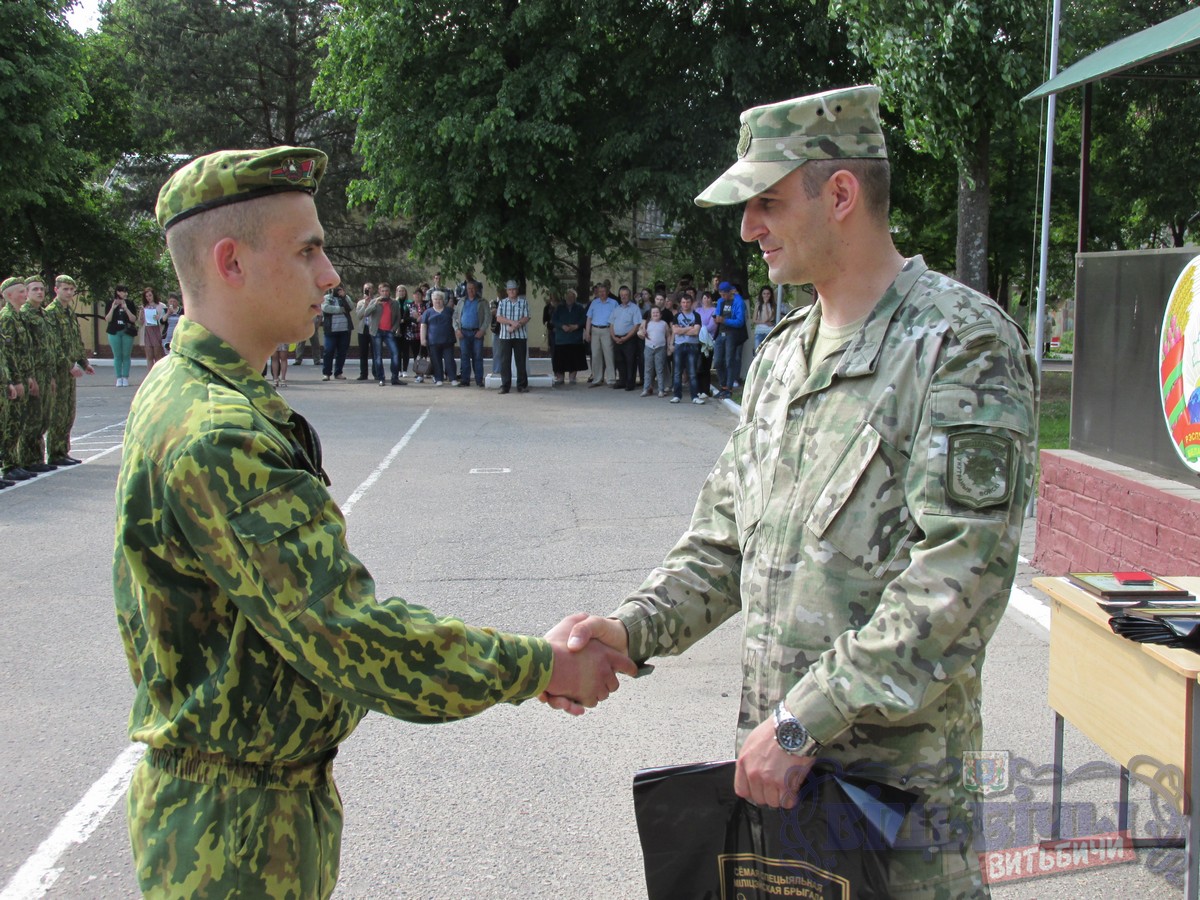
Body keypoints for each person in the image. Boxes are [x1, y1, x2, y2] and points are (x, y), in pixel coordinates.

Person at [546, 86, 1039, 898]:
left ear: (840, 194)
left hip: (895, 819)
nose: (747, 228)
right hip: (782, 796)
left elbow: (960, 581)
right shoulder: (782, 358)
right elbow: (723, 545)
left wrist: (808, 715)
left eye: (766, 201)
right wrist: (629, 631)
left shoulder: (961, 344)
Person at [118, 146, 636, 900]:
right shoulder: (217, 432)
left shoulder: (184, 387)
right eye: (308, 251)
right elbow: (348, 634)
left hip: (248, 805)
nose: (330, 276)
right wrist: (541, 665)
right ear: (230, 261)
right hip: (235, 833)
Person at [45, 275, 94, 466]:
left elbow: (75, 340)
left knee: (68, 412)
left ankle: (63, 451)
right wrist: (69, 365)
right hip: (59, 370)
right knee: (58, 411)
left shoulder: (69, 313)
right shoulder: (51, 313)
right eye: (65, 289)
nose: (69, 293)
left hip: (71, 368)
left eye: (71, 289)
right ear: (56, 290)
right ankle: (55, 453)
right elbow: (53, 344)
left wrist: (83, 362)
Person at [17, 277, 58, 473]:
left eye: (42, 289)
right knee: (31, 418)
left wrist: (50, 376)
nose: (39, 292)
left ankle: (37, 459)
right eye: (35, 289)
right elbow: (25, 348)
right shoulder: (24, 314)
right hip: (33, 370)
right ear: (26, 292)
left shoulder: (43, 314)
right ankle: (27, 459)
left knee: (43, 417)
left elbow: (49, 346)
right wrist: (29, 376)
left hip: (45, 371)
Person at [0, 277, 33, 482]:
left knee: (14, 422)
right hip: (10, 377)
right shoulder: (7, 318)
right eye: (21, 291)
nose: (25, 294)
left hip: (12, 377)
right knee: (9, 423)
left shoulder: (18, 317)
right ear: (9, 295)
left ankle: (13, 463)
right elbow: (9, 353)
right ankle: (9, 464)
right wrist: (14, 380)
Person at [362, 282, 404, 386]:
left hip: (389, 331)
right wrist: (375, 304)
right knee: (378, 356)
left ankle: (395, 378)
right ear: (379, 292)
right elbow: (366, 313)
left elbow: (398, 318)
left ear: (389, 292)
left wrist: (393, 329)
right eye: (383, 291)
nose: (385, 293)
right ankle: (381, 378)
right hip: (377, 331)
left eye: (387, 291)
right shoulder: (374, 301)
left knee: (395, 353)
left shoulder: (394, 303)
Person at [712, 280, 747, 398]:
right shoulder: (721, 301)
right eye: (721, 294)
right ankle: (723, 386)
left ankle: (729, 388)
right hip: (721, 333)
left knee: (729, 361)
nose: (723, 297)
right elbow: (717, 313)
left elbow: (740, 321)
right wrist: (716, 318)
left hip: (732, 334)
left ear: (730, 291)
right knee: (717, 361)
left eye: (724, 294)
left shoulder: (739, 302)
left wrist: (725, 320)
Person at [495, 279, 530, 394]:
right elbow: (499, 318)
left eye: (514, 289)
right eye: (510, 290)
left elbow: (527, 317)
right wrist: (511, 322)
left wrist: (516, 325)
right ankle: (505, 385)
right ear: (507, 291)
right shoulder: (502, 302)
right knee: (505, 361)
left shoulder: (523, 302)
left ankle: (522, 385)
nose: (512, 292)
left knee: (520, 361)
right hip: (505, 336)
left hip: (520, 336)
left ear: (517, 290)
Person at [668, 293, 704, 406]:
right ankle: (677, 396)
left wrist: (682, 329)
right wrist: (689, 328)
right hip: (679, 345)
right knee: (677, 371)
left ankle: (695, 396)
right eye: (683, 302)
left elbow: (696, 332)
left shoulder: (696, 316)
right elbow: (675, 331)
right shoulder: (676, 316)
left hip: (692, 345)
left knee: (692, 372)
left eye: (688, 302)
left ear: (691, 303)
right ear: (680, 303)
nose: (685, 304)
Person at [453, 279, 490, 387]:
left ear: (476, 289)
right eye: (469, 288)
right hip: (463, 333)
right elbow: (454, 316)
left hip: (477, 333)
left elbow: (488, 317)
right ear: (466, 290)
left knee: (478, 357)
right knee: (464, 356)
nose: (471, 290)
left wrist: (482, 330)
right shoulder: (461, 302)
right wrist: (457, 329)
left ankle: (479, 380)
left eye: (473, 288)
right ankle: (465, 380)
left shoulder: (483, 302)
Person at [550, 289, 587, 384]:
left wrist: (576, 326)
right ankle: (560, 378)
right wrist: (562, 326)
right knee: (560, 361)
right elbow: (554, 320)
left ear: (575, 298)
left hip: (575, 339)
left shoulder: (580, 308)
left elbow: (584, 319)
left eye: (572, 296)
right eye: (568, 296)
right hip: (561, 339)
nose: (569, 298)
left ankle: (572, 378)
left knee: (574, 360)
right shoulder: (559, 307)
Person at [584, 283, 618, 386]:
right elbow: (589, 318)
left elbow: (617, 318)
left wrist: (614, 333)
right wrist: (587, 332)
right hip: (595, 330)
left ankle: (611, 379)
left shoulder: (613, 303)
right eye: (600, 292)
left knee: (609, 355)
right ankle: (597, 379)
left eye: (603, 291)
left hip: (607, 330)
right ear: (597, 293)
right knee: (595, 355)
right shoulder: (594, 303)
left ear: (607, 292)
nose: (602, 294)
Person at [420, 288, 455, 385]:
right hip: (433, 341)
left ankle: (452, 378)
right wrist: (423, 339)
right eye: (435, 299)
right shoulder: (428, 312)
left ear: (443, 300)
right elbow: (423, 326)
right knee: (436, 361)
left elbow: (455, 324)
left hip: (448, 340)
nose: (437, 301)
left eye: (439, 299)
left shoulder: (449, 311)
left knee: (449, 361)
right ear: (432, 300)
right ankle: (439, 378)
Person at [609, 286, 642, 391]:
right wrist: (614, 337)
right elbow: (611, 324)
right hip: (617, 338)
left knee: (630, 361)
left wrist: (625, 338)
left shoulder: (634, 308)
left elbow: (636, 325)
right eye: (622, 295)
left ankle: (630, 383)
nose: (623, 297)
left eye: (626, 295)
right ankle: (622, 381)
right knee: (619, 361)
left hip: (629, 339)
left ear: (629, 295)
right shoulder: (616, 309)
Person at [105, 285, 138, 387]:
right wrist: (113, 308)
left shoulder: (130, 303)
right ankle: (119, 378)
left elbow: (133, 319)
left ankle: (125, 377)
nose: (126, 294)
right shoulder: (110, 303)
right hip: (114, 332)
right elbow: (107, 319)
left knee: (126, 355)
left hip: (127, 331)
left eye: (126, 292)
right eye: (124, 292)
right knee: (117, 355)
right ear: (118, 292)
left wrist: (126, 309)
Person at [321, 285, 354, 380]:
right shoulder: (327, 298)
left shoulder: (345, 297)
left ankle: (338, 373)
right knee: (328, 351)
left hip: (345, 330)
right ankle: (326, 373)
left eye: (338, 288)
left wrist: (344, 297)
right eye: (334, 288)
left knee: (342, 352)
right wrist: (341, 309)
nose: (336, 290)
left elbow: (351, 307)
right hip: (331, 330)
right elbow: (326, 308)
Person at [639, 305, 670, 397]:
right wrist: (642, 333)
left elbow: (668, 335)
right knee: (648, 369)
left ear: (660, 314)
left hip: (660, 348)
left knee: (659, 369)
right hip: (648, 347)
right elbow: (640, 334)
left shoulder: (664, 323)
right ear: (650, 314)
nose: (655, 314)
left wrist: (668, 346)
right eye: (653, 313)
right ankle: (646, 389)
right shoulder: (647, 323)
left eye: (657, 312)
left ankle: (661, 389)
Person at [140, 287, 168, 371]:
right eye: (146, 296)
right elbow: (141, 322)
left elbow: (165, 319)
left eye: (150, 295)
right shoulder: (144, 307)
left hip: (157, 331)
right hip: (147, 331)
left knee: (158, 355)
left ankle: (158, 374)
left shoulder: (161, 306)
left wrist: (158, 317)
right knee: (149, 356)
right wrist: (141, 314)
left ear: (153, 295)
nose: (148, 298)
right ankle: (149, 375)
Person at [407, 288, 428, 382]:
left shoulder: (426, 305)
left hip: (425, 332)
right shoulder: (409, 305)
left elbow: (429, 315)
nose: (417, 296)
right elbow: (405, 318)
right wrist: (415, 319)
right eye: (415, 294)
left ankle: (427, 372)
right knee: (416, 354)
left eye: (419, 294)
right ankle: (419, 373)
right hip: (413, 333)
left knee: (425, 354)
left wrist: (420, 317)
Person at [354, 281, 373, 380]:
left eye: (370, 288)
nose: (368, 290)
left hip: (373, 329)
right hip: (363, 329)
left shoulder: (376, 301)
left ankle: (377, 373)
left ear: (372, 290)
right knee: (363, 353)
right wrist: (365, 305)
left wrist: (370, 303)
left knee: (375, 353)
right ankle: (363, 374)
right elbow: (359, 315)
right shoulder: (360, 302)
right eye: (366, 288)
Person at [753, 285, 776, 350]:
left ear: (771, 295)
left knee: (767, 351)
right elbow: (754, 320)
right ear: (761, 295)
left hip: (768, 331)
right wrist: (765, 322)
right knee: (757, 351)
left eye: (768, 294)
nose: (766, 295)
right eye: (764, 294)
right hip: (759, 331)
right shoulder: (758, 304)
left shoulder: (772, 305)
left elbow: (767, 318)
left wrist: (765, 304)